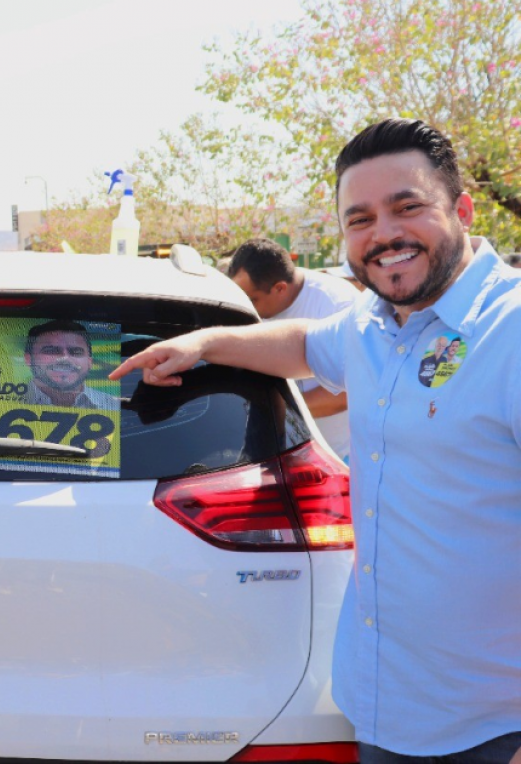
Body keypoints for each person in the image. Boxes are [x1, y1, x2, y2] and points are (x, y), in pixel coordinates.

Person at [110, 118, 521, 763]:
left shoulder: (512, 332)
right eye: (360, 219)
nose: (383, 235)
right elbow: (301, 344)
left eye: (406, 207)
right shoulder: (374, 322)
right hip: (383, 709)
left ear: (462, 209)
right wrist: (204, 343)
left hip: (492, 730)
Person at [228, 238, 359, 460]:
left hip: (338, 457)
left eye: (253, 299)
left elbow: (350, 392)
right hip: (276, 456)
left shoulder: (338, 305)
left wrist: (278, 412)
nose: (247, 307)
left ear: (280, 288)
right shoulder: (253, 307)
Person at [23, 320, 119, 410]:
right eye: (51, 351)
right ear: (28, 359)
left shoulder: (114, 406)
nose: (65, 359)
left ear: (90, 362)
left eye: (76, 352)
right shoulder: (11, 399)